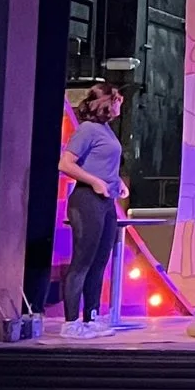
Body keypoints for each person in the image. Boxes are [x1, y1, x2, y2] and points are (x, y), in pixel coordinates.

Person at [59, 83, 129, 335]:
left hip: (106, 201)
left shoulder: (105, 130)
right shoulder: (87, 130)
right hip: (87, 200)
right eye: (118, 100)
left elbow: (101, 162)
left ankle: (90, 316)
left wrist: (116, 181)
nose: (121, 104)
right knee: (83, 261)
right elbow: (65, 164)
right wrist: (95, 181)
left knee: (100, 261)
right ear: (107, 102)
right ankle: (70, 323)